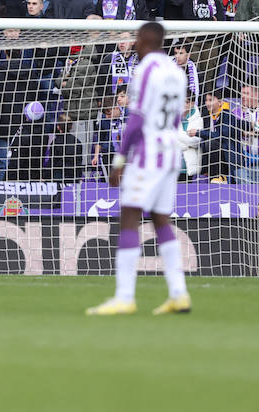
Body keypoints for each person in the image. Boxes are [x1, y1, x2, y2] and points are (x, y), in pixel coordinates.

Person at [88, 22, 191, 316]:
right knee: (160, 220)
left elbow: (136, 119)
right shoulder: (176, 72)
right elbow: (172, 120)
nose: (134, 43)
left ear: (147, 39)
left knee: (130, 217)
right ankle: (179, 294)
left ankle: (124, 297)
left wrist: (120, 159)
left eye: (136, 38)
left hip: (147, 155)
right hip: (170, 153)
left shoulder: (144, 70)